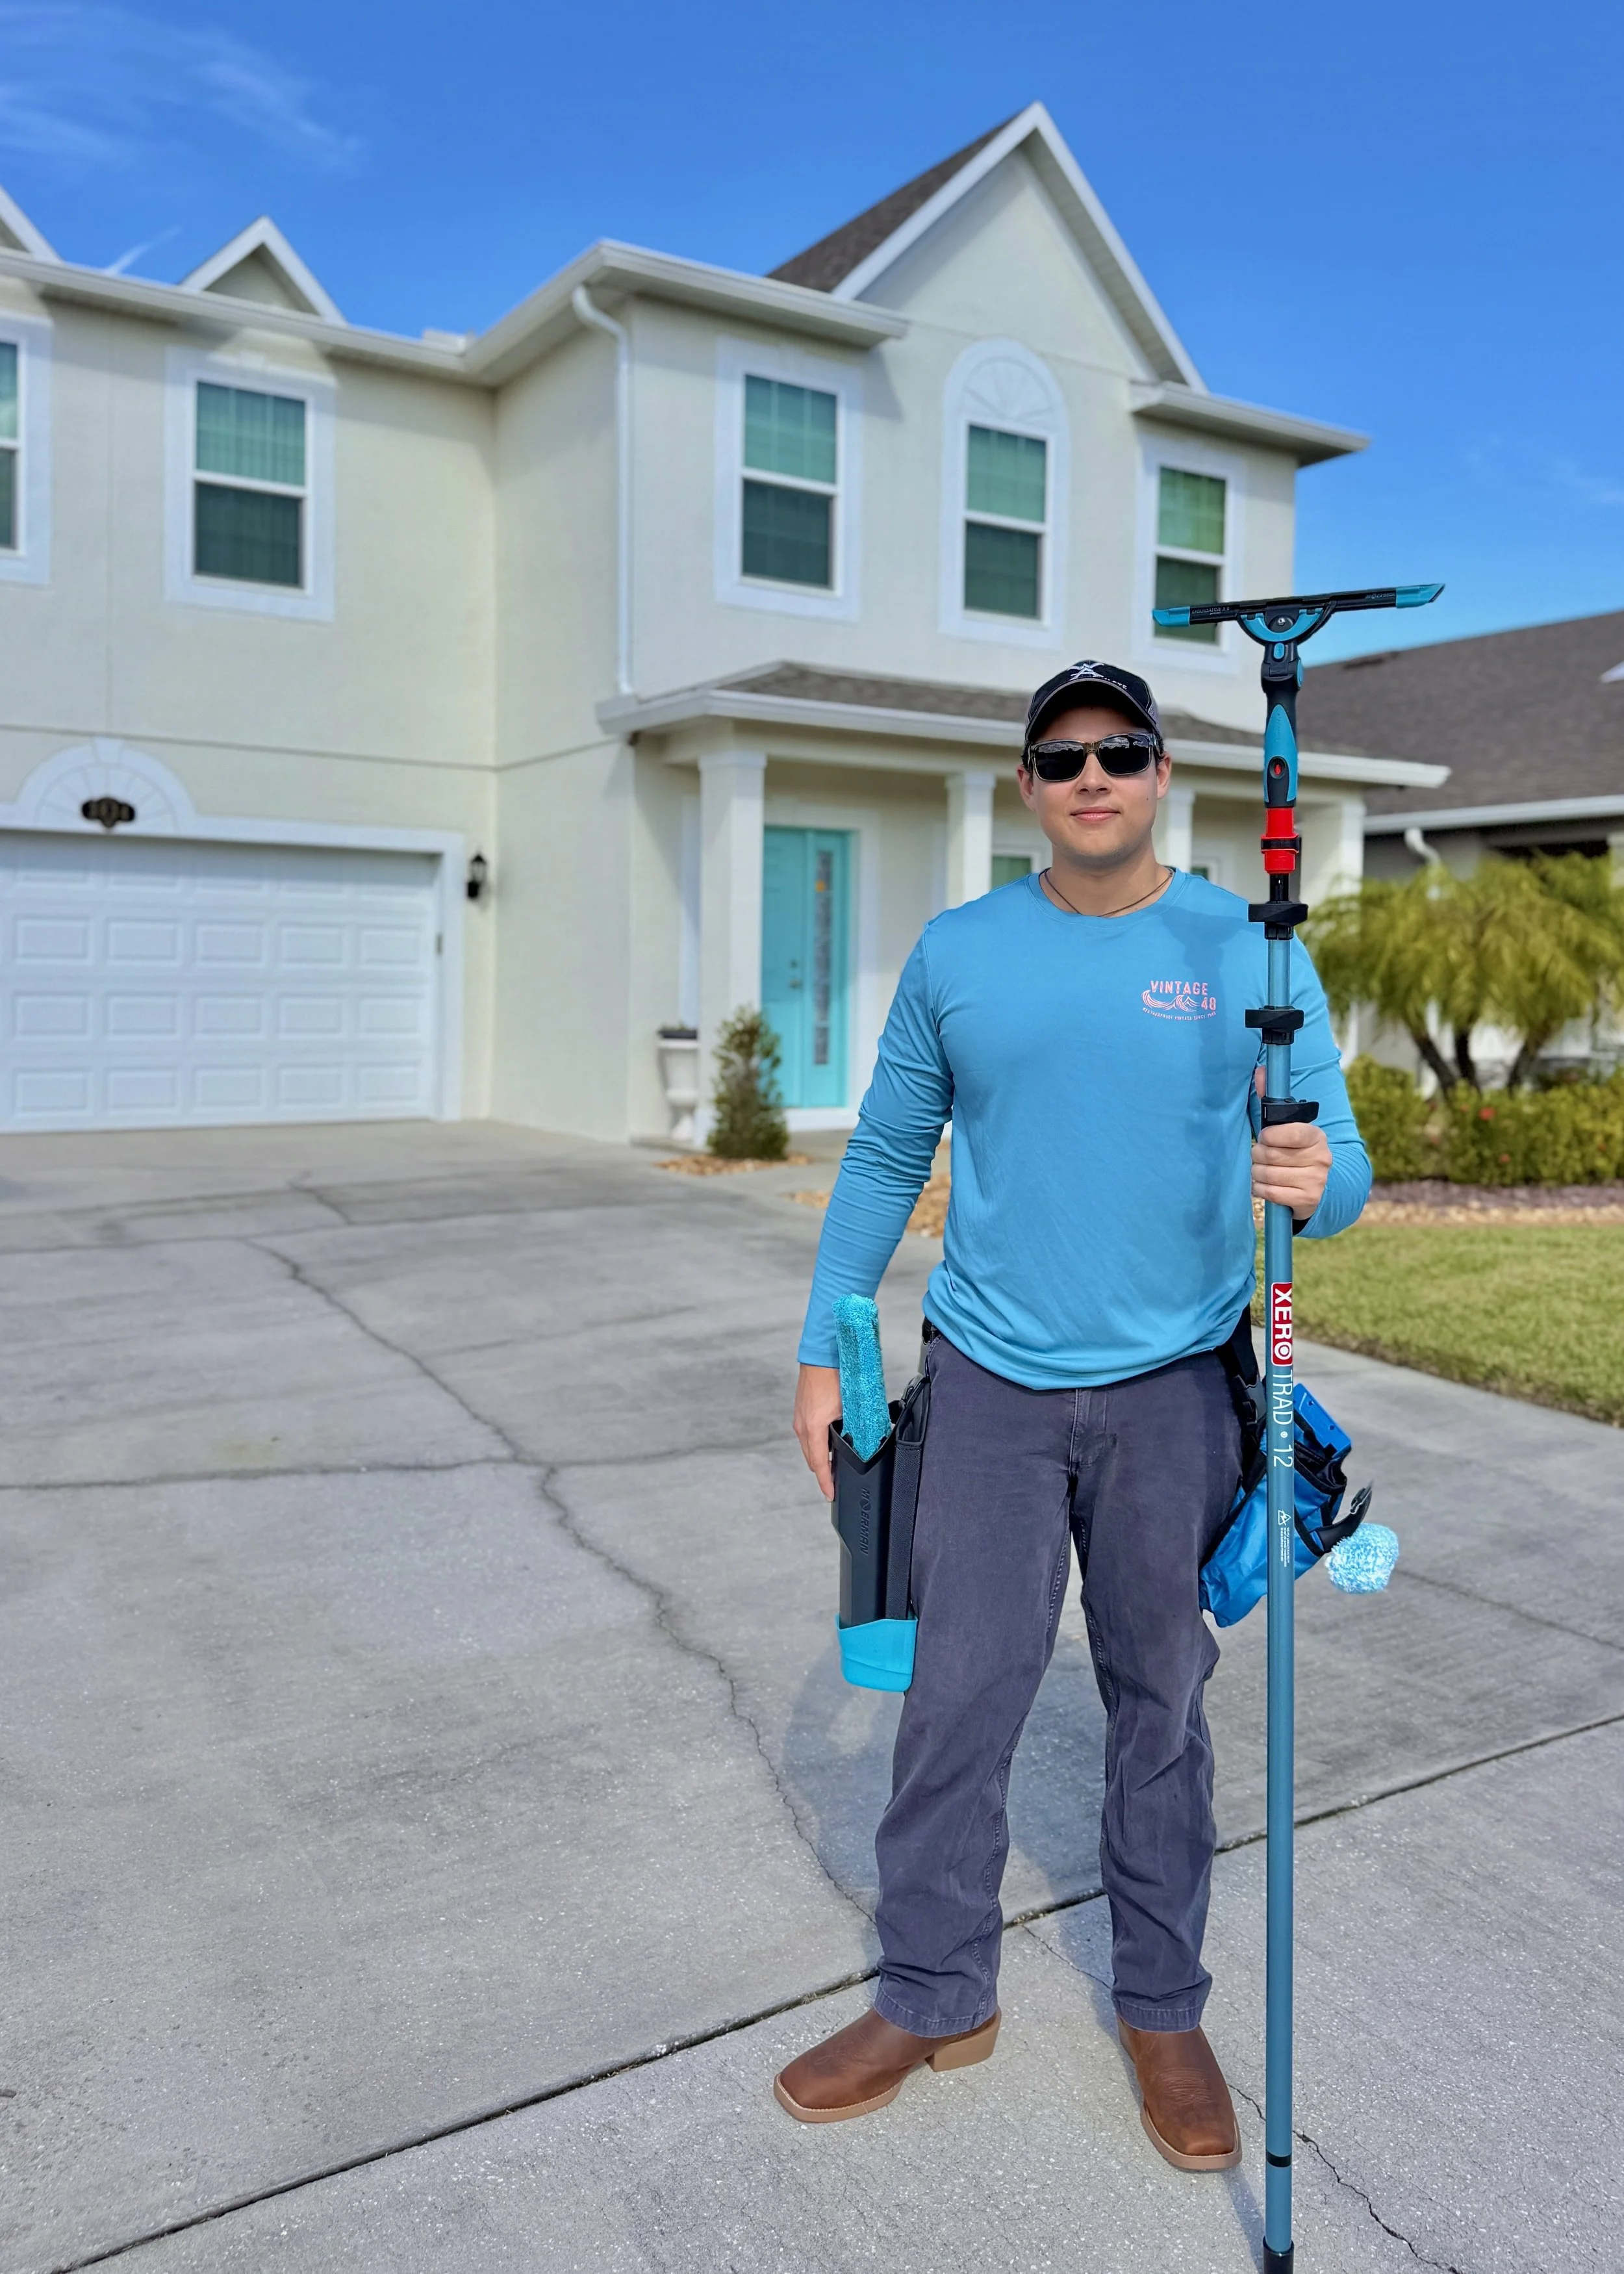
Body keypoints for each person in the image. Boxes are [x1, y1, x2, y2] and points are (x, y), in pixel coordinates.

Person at [774, 660, 1369, 2164]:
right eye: (1060, 757)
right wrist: (820, 1348)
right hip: (985, 1383)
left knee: (1157, 1706)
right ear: (1025, 787)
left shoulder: (1248, 945)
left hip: (1175, 1387)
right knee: (956, 1694)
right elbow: (880, 1156)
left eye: (1120, 750)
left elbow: (1338, 1165)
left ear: (1162, 772)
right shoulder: (961, 950)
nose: (1090, 775)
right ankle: (929, 1993)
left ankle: (1161, 2007)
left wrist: (1317, 1183)